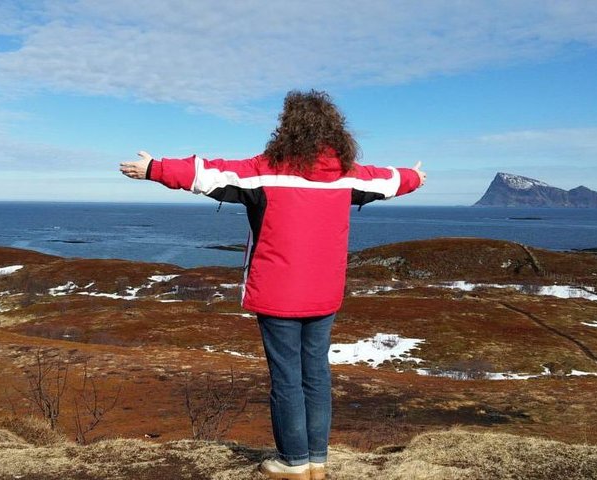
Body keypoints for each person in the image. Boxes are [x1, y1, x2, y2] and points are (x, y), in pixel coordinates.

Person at [120, 90, 425, 480]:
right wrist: (416, 177)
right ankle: (316, 461)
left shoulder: (265, 171)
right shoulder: (346, 175)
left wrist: (154, 168)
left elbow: (207, 173)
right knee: (316, 374)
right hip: (324, 294)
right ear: (334, 131)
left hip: (278, 295)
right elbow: (390, 180)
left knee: (286, 377)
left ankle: (293, 462)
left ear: (288, 128)